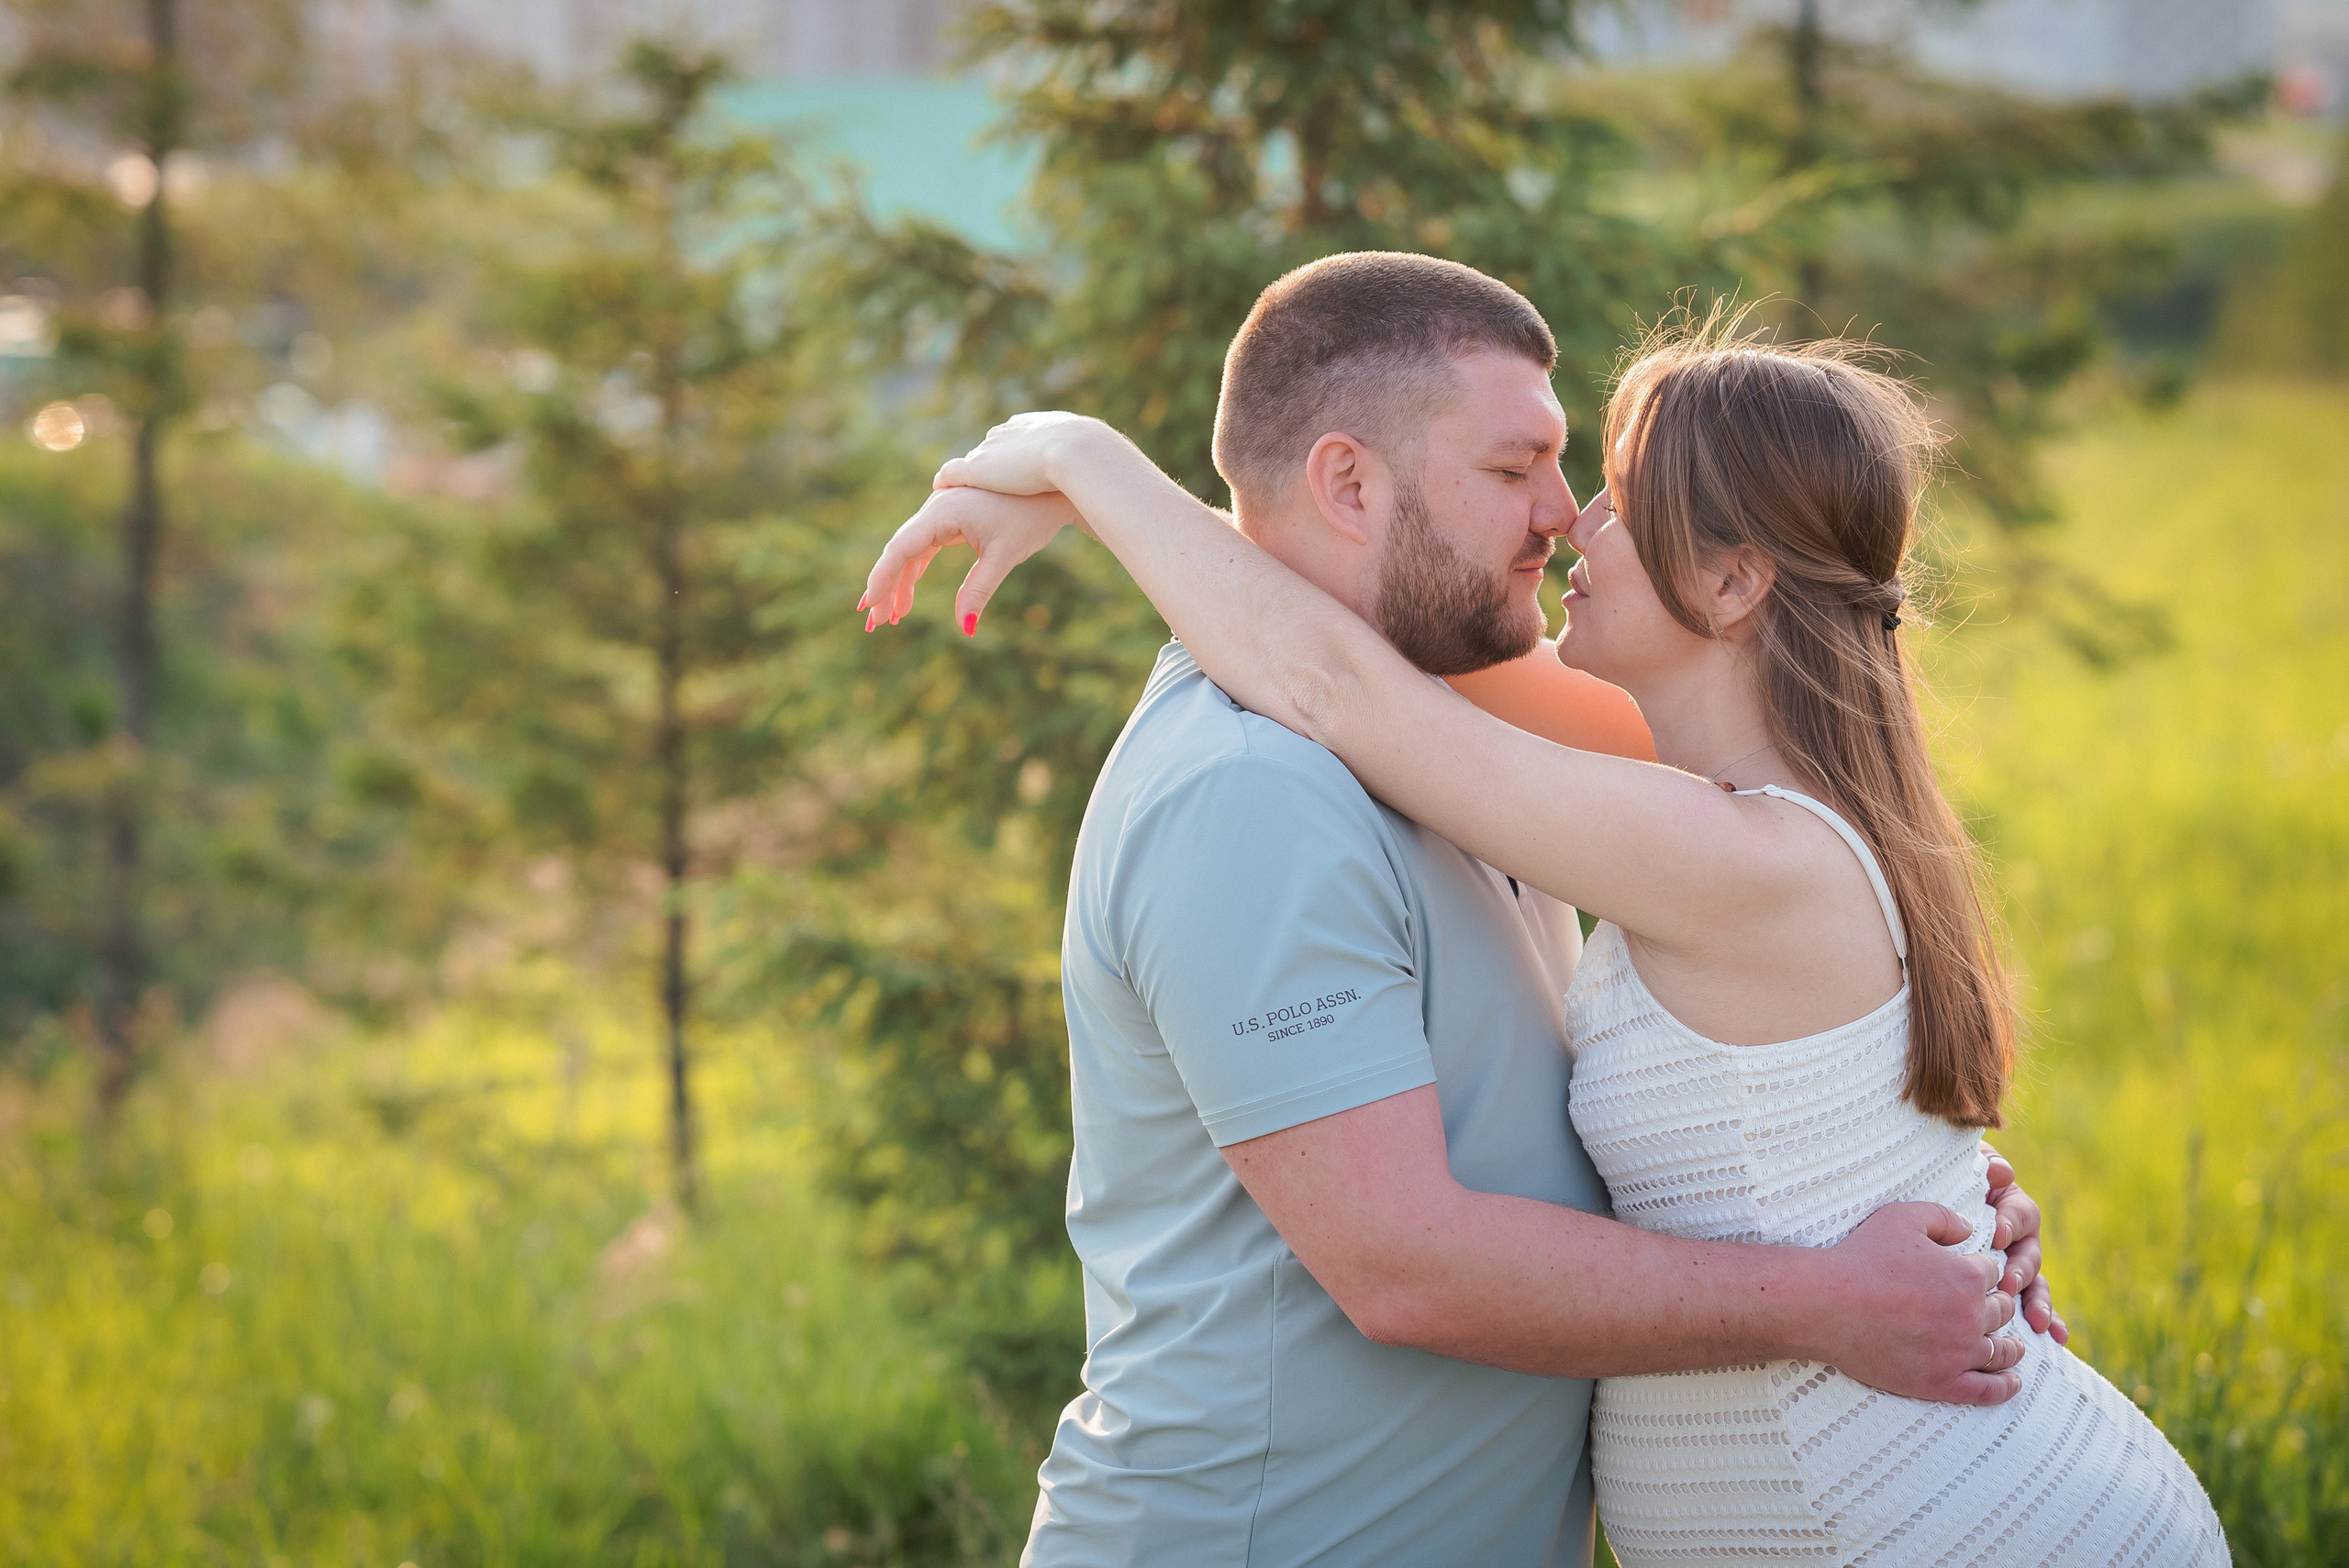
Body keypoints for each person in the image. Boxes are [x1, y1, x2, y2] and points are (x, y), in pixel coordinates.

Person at [863, 255, 2080, 1568]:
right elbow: (1405, 1263)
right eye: (1521, 469)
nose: (1565, 517)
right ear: (1346, 482)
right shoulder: (1254, 792)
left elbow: (1329, 657)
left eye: (1594, 481)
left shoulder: (1500, 752)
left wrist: (1899, 1181)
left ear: (1736, 586)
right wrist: (1829, 1289)